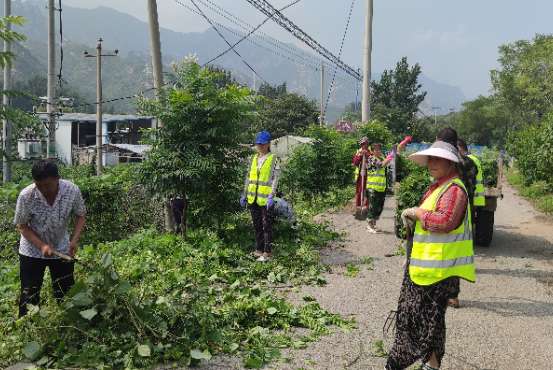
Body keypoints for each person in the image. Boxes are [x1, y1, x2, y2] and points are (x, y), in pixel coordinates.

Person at [387, 140, 476, 370]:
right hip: (425, 270)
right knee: (428, 322)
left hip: (438, 273)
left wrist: (418, 213)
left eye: (437, 159)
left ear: (450, 163)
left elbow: (446, 221)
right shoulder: (438, 186)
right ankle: (431, 365)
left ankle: (400, 363)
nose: (431, 163)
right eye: (430, 159)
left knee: (421, 321)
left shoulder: (454, 189)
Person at [14, 160, 86, 317]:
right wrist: (41, 246)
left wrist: (74, 240)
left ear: (57, 179)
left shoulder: (71, 190)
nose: (44, 190)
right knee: (29, 293)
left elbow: (81, 215)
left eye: (48, 185)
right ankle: (26, 328)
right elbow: (22, 226)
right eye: (40, 186)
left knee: (66, 290)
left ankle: (70, 322)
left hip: (61, 247)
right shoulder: (27, 195)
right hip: (31, 251)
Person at [435, 129, 476, 308]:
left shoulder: (445, 162)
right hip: (464, 211)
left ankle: (438, 292)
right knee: (454, 253)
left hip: (446, 211)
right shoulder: (468, 163)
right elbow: (472, 187)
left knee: (441, 250)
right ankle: (452, 295)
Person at [240, 131, 280, 262]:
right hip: (253, 198)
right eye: (258, 144)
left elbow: (275, 179)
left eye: (262, 144)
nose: (260, 146)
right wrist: (244, 194)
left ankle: (267, 252)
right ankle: (258, 249)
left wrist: (271, 196)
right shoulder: (253, 159)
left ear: (268, 144)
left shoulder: (273, 158)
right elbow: (248, 178)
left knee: (266, 226)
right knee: (257, 224)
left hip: (265, 199)